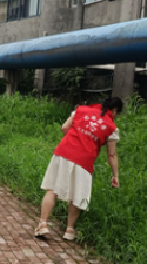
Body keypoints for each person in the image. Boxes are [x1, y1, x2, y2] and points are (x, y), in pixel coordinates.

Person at [34, 97, 123, 240]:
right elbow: (111, 155)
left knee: (52, 189)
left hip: (64, 152)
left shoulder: (80, 111)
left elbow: (64, 127)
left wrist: (70, 143)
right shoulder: (112, 128)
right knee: (77, 195)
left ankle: (43, 224)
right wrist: (115, 176)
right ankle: (69, 230)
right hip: (85, 160)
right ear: (115, 110)